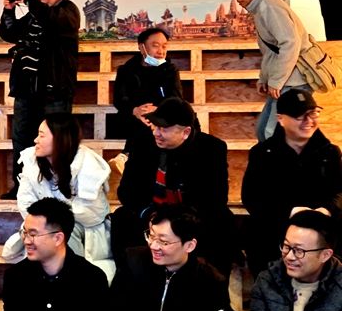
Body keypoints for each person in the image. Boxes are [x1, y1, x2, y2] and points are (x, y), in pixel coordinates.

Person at [113, 97, 234, 277]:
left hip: (192, 216)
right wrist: (150, 215)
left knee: (222, 222)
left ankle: (210, 284)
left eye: (164, 129)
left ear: (185, 132)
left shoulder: (211, 149)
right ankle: (129, 281)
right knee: (122, 218)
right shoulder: (142, 143)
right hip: (152, 214)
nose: (156, 133)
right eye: (155, 126)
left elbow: (215, 199)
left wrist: (177, 223)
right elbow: (127, 191)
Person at [241, 88, 342, 277]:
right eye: (299, 116)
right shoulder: (263, 153)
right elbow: (251, 198)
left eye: (313, 113)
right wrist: (291, 211)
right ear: (281, 119)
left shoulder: (330, 153)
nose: (309, 121)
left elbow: (338, 192)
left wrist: (327, 209)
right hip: (275, 233)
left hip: (321, 231)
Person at [0, 0, 80, 199]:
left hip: (54, 89)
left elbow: (54, 22)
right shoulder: (35, 14)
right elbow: (10, 33)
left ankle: (58, 187)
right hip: (26, 88)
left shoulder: (67, 10)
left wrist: (29, 1)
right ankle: (22, 186)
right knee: (22, 139)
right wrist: (8, 10)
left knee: (56, 139)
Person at [13, 113, 114, 282]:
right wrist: (46, 221)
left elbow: (93, 213)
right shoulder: (31, 161)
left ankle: (71, 282)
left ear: (60, 139)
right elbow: (25, 203)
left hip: (84, 228)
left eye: (41, 135)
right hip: (43, 226)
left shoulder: (88, 164)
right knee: (36, 233)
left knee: (62, 231)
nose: (36, 140)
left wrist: (54, 217)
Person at [230, 0, 311, 142]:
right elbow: (270, 52)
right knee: (263, 132)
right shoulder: (261, 8)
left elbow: (290, 43)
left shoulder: (269, 6)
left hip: (294, 81)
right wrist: (265, 78)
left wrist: (276, 81)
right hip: (285, 81)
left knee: (271, 135)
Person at [111, 27, 183, 173]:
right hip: (132, 118)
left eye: (164, 46)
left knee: (161, 119)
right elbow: (119, 100)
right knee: (143, 119)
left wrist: (158, 109)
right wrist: (135, 110)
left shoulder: (169, 70)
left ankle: (126, 155)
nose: (161, 51)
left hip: (160, 116)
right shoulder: (126, 70)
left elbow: (176, 98)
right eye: (155, 46)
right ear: (141, 47)